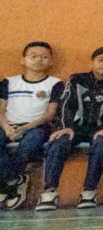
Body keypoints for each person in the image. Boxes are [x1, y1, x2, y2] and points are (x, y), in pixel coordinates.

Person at [42, 46, 103, 210]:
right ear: (92, 62)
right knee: (58, 142)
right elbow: (66, 103)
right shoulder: (76, 79)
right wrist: (66, 126)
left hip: (101, 128)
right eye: (101, 60)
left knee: (102, 144)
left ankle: (89, 191)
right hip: (75, 127)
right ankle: (49, 192)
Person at [1, 42, 64, 211]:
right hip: (8, 125)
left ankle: (4, 184)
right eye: (33, 56)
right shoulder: (9, 82)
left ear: (51, 61)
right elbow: (0, 110)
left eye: (44, 57)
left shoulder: (55, 84)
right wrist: (7, 127)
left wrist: (26, 127)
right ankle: (14, 180)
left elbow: (50, 114)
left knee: (29, 145)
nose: (39, 60)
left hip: (37, 127)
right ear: (23, 60)